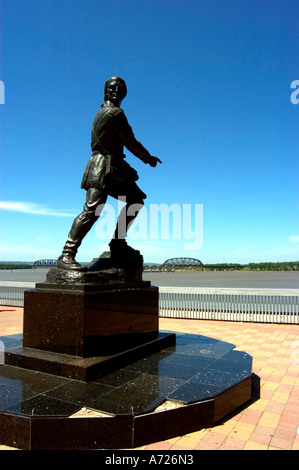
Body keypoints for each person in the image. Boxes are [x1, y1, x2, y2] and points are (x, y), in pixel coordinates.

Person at [57, 76, 161, 271]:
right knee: (92, 210)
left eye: (120, 88)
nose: (115, 91)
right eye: (112, 87)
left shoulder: (104, 112)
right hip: (102, 166)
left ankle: (118, 243)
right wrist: (148, 159)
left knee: (135, 199)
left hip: (111, 167)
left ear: (124, 94)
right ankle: (66, 254)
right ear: (106, 91)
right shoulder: (115, 114)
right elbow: (130, 142)